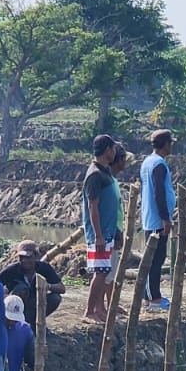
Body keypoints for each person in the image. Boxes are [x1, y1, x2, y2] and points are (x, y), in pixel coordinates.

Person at [81, 135, 121, 324]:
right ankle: (89, 311)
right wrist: (98, 235)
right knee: (100, 272)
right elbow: (93, 206)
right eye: (113, 149)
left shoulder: (104, 172)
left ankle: (99, 309)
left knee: (104, 271)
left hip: (108, 231)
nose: (115, 152)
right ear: (107, 150)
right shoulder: (95, 175)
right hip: (100, 234)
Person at [139, 129, 177, 306]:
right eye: (170, 143)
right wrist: (165, 218)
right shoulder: (159, 164)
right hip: (156, 220)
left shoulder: (148, 161)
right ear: (165, 144)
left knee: (157, 258)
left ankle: (151, 296)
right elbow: (159, 194)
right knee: (155, 259)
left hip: (152, 218)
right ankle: (152, 298)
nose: (171, 146)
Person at [0, 240, 63, 323]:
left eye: (28, 257)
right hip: (17, 306)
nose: (25, 260)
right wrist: (6, 297)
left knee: (55, 298)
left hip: (36, 303)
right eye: (22, 257)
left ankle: (36, 322)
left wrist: (48, 286)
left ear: (36, 256)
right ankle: (16, 323)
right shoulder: (12, 270)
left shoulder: (44, 268)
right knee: (22, 289)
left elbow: (62, 288)